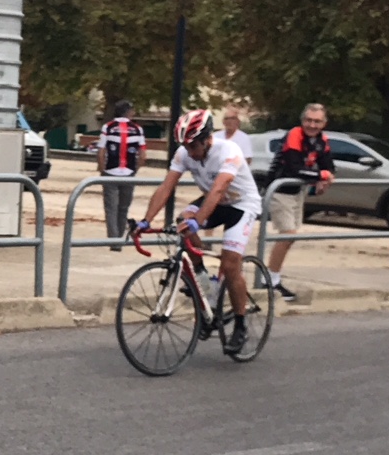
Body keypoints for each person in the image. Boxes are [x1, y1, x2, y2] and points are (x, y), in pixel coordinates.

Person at [134, 109, 263, 354]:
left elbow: (217, 190)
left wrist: (199, 221)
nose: (190, 152)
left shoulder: (229, 151)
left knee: (231, 263)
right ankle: (203, 279)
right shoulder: (184, 153)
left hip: (241, 205)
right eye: (186, 146)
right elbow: (166, 187)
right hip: (216, 202)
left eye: (194, 146)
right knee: (183, 221)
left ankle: (240, 325)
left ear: (207, 139)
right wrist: (145, 221)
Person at [262, 103, 336, 301]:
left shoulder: (322, 140)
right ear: (302, 120)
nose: (312, 125)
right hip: (279, 189)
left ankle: (272, 277)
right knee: (287, 234)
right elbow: (294, 169)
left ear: (324, 123)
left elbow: (329, 167)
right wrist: (320, 175)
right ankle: (269, 280)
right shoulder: (295, 135)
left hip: (297, 191)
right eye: (308, 120)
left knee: (290, 237)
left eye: (317, 121)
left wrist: (324, 179)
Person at [95, 100, 149, 250]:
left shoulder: (108, 127)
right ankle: (119, 238)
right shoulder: (137, 129)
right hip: (129, 172)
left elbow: (101, 151)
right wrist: (135, 169)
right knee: (123, 207)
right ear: (128, 112)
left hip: (110, 171)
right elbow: (143, 155)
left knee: (111, 208)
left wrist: (102, 169)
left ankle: (114, 241)